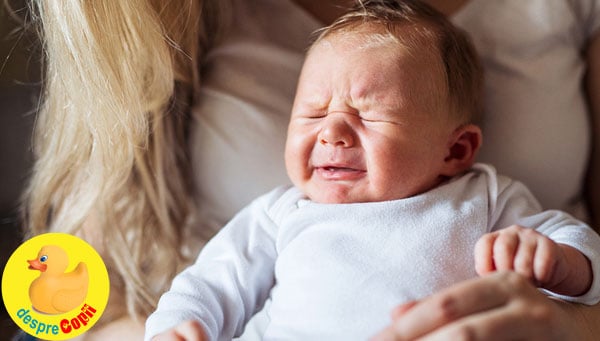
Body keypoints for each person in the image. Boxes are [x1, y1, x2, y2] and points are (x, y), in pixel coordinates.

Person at [22, 0, 600, 339]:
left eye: (368, 114)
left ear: (455, 151)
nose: (332, 131)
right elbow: (213, 281)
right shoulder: (280, 212)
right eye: (314, 112)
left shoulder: (488, 195)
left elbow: (575, 240)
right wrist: (177, 326)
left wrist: (566, 266)